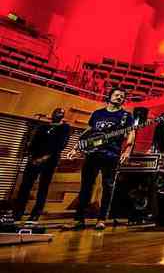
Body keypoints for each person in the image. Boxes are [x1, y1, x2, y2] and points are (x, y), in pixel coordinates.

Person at [67, 87, 136, 230]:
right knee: (85, 187)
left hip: (111, 155)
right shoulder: (98, 114)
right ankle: (79, 219)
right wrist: (76, 146)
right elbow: (89, 131)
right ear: (109, 97)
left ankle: (101, 219)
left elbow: (131, 133)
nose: (119, 98)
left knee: (108, 187)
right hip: (92, 154)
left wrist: (127, 150)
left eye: (122, 97)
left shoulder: (126, 116)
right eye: (117, 95)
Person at [13, 108, 71, 222]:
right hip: (34, 159)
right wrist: (31, 157)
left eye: (61, 113)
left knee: (43, 187)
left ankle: (36, 213)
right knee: (25, 186)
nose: (59, 114)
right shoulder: (43, 127)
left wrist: (44, 158)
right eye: (57, 112)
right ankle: (18, 212)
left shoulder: (64, 128)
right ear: (52, 114)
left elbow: (60, 145)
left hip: (49, 161)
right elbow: (34, 142)